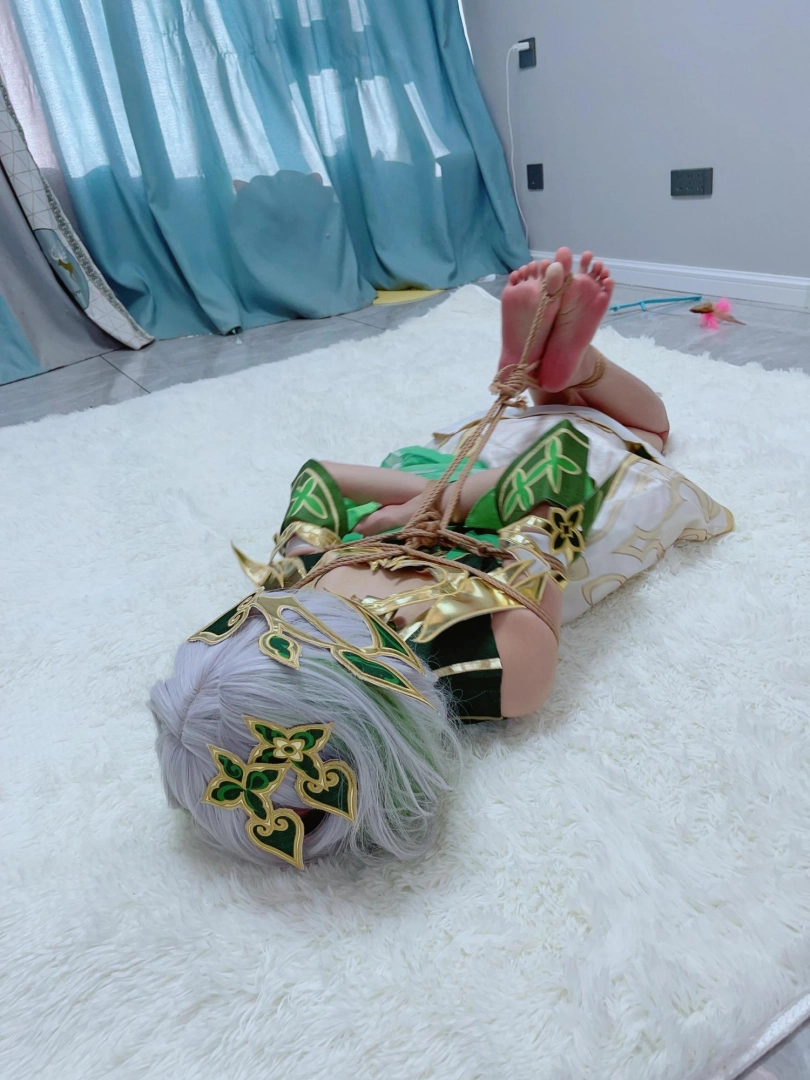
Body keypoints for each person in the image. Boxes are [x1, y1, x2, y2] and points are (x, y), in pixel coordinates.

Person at [151, 249, 733, 870]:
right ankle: (558, 369)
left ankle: (550, 371)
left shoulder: (499, 664)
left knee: (641, 433)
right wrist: (419, 506)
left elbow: (557, 477)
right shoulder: (302, 581)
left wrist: (427, 505)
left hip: (490, 483)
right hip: (471, 480)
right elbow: (553, 471)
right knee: (597, 423)